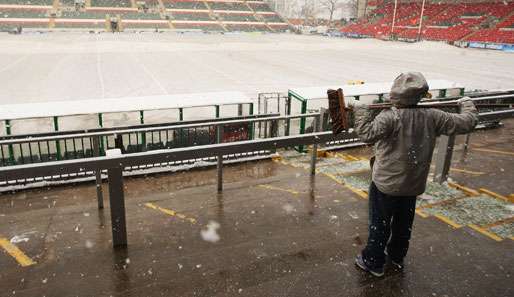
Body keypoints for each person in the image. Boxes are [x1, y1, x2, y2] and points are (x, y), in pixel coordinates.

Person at [352, 72, 478, 277]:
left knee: (380, 223)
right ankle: (397, 256)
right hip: (413, 183)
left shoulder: (390, 117)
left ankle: (373, 261)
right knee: (403, 223)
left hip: (386, 183)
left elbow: (367, 134)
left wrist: (360, 111)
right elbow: (467, 122)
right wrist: (467, 104)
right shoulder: (433, 116)